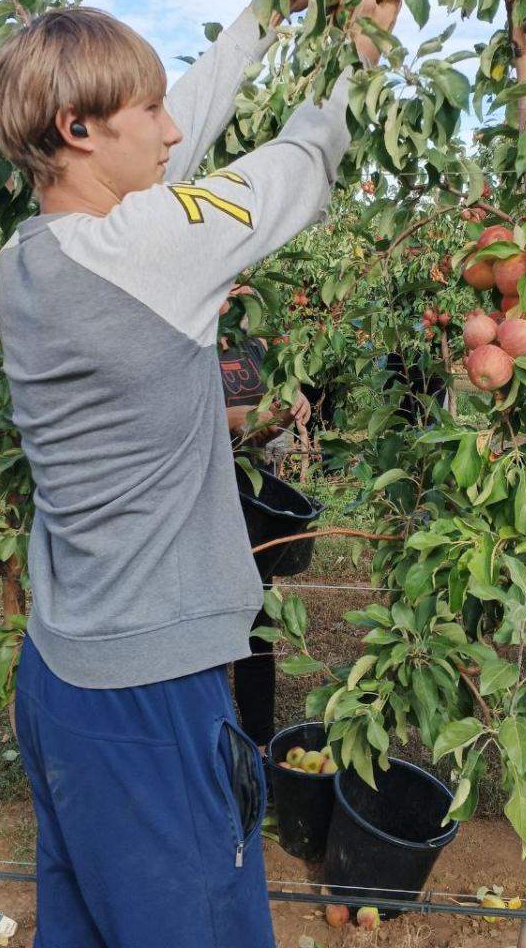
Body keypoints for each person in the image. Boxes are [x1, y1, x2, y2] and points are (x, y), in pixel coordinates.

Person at [0, 0, 399, 947]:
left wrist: (269, 14)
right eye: (151, 111)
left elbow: (176, 144)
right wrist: (359, 49)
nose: (173, 133)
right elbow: (303, 162)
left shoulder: (31, 257)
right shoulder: (149, 248)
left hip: (62, 679)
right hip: (151, 698)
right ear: (80, 130)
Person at [217, 282, 312, 753]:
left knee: (257, 626)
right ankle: (213, 746)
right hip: (201, 506)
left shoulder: (254, 343)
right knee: (210, 632)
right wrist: (251, 420)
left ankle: (256, 748)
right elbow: (188, 414)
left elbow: (281, 395)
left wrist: (294, 403)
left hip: (253, 505)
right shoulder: (186, 336)